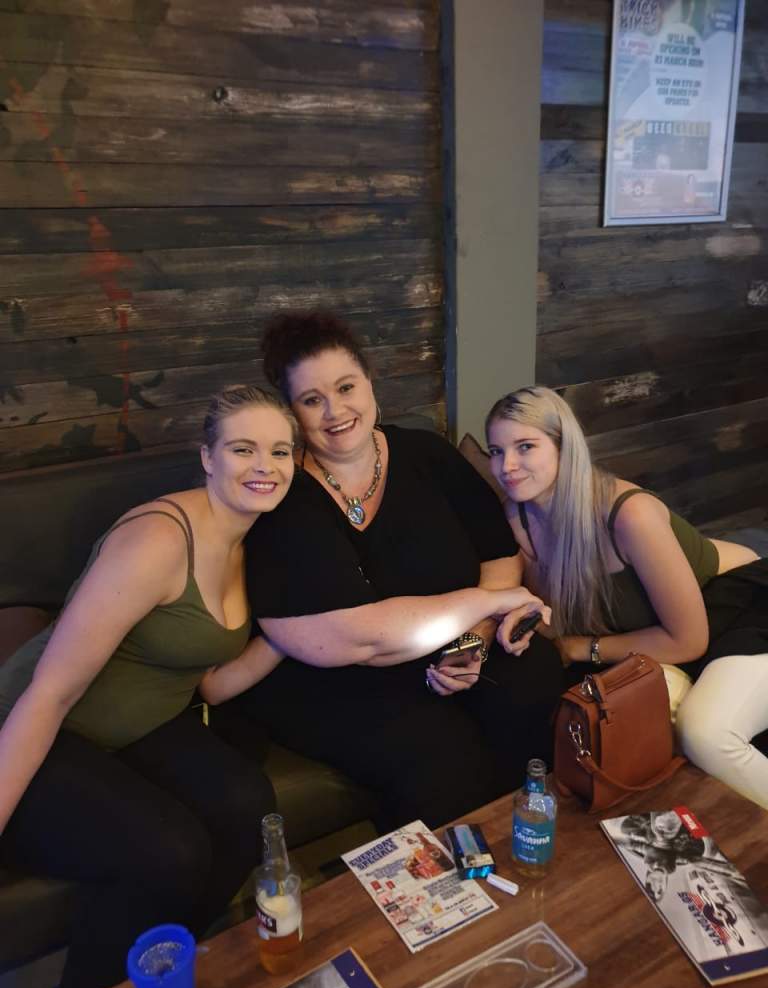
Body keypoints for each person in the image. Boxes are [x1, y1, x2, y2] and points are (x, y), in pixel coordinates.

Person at [209, 312, 566, 832]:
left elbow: (498, 558)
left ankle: (538, 836)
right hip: (334, 680)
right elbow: (356, 639)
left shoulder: (426, 454)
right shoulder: (282, 493)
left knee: (532, 678)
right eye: (312, 399)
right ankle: (455, 871)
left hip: (450, 642)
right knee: (439, 753)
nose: (335, 411)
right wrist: (485, 609)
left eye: (346, 387)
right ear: (292, 413)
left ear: (369, 382)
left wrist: (474, 642)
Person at [0, 386, 296, 988]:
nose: (265, 466)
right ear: (208, 457)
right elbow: (48, 694)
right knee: (167, 852)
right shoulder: (157, 541)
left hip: (138, 725)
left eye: (279, 451)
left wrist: (295, 637)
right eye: (243, 449)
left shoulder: (250, 540)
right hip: (39, 726)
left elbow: (210, 682)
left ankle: (159, 966)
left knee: (247, 805)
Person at [485, 385, 768, 809]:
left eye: (525, 446)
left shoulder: (628, 513)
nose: (506, 466)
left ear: (565, 447)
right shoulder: (519, 515)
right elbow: (550, 613)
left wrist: (579, 648)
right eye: (495, 451)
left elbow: (688, 640)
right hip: (654, 634)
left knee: (706, 733)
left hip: (739, 609)